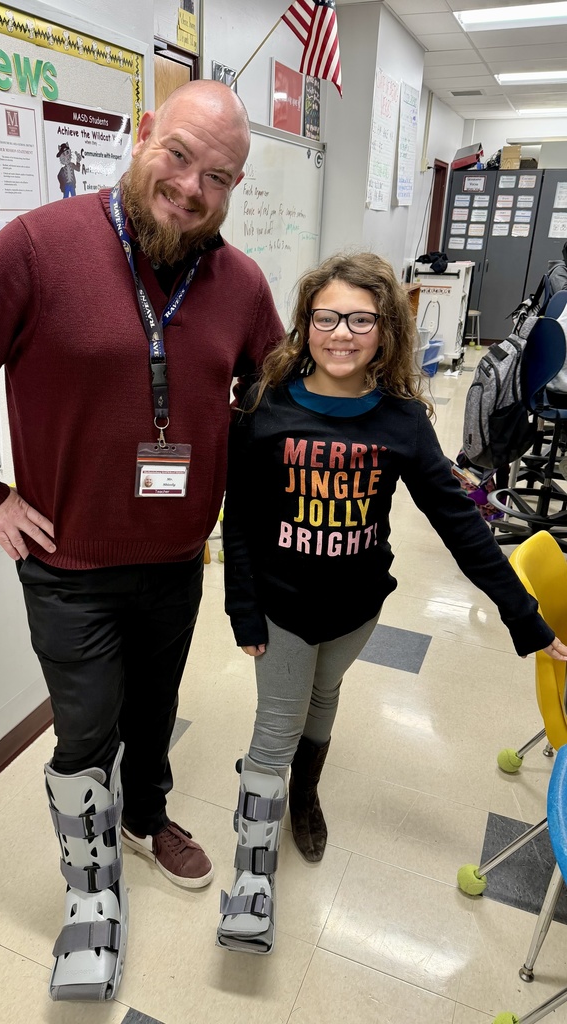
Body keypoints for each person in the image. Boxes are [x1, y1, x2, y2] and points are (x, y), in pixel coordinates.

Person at [0, 80, 283, 1000]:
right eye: (181, 155)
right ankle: (90, 891)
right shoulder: (42, 245)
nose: (193, 187)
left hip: (175, 558)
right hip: (67, 565)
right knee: (87, 727)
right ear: (145, 134)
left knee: (156, 706)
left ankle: (147, 819)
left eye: (219, 176)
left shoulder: (238, 284)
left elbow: (271, 394)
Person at [215, 251, 567, 956]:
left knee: (324, 697)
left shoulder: (400, 420)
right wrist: (241, 609)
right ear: (305, 323)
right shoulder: (262, 407)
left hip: (356, 608)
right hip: (280, 609)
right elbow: (242, 521)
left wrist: (524, 619)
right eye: (326, 317)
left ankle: (305, 798)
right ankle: (251, 874)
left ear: (385, 331)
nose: (341, 333)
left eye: (361, 319)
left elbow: (460, 524)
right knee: (275, 729)